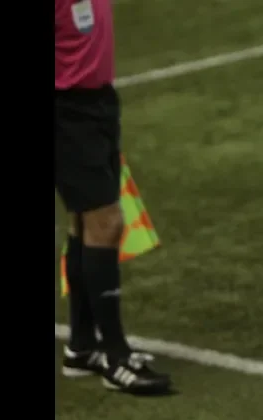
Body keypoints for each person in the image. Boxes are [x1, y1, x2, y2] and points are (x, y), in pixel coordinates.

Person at [55, 0, 170, 395]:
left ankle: (82, 346)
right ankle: (115, 356)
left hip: (98, 103)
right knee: (106, 222)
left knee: (84, 221)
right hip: (67, 111)